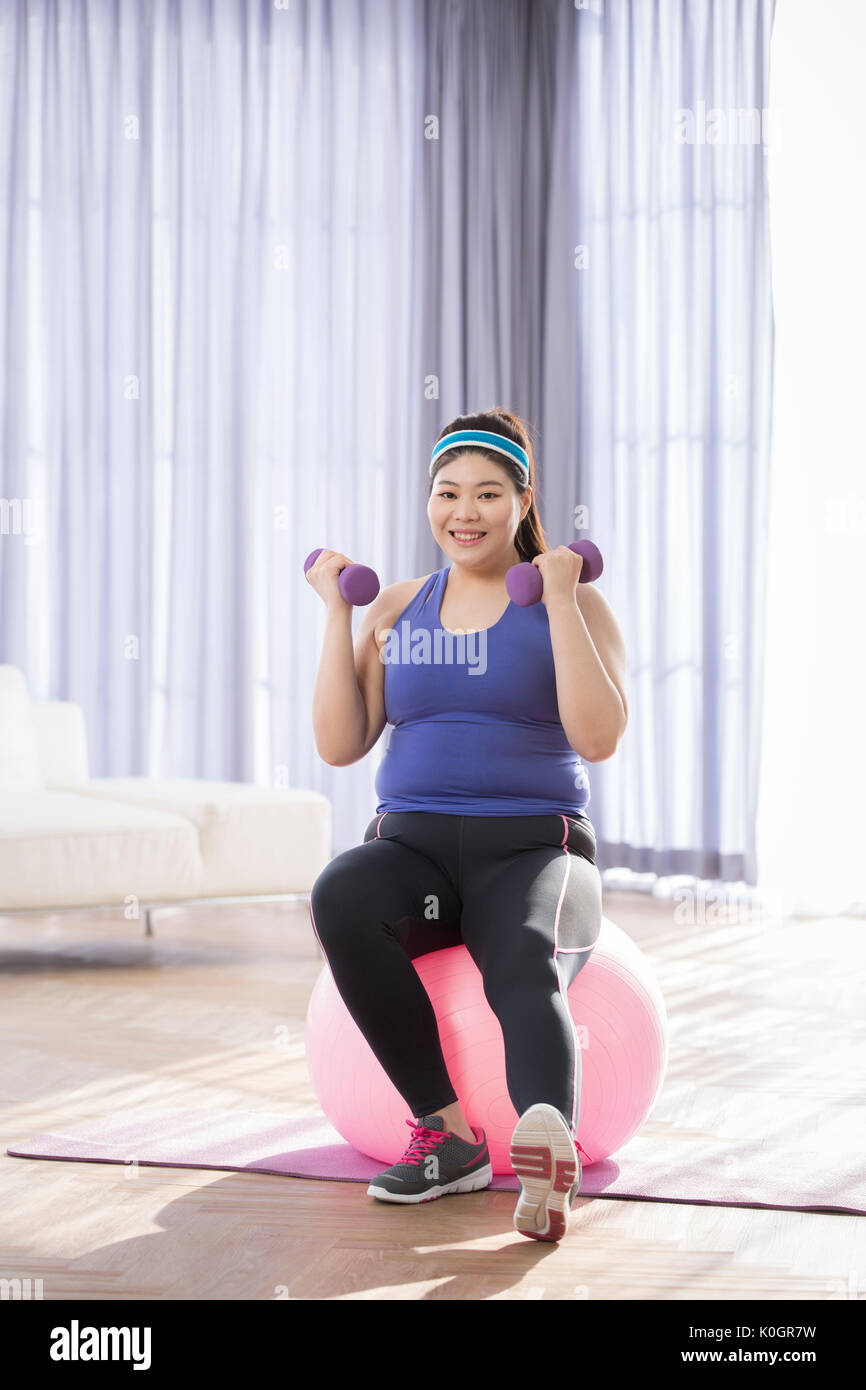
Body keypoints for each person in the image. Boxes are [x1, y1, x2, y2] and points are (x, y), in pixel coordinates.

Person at [305, 407, 628, 1241]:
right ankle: (447, 1137)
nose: (465, 512)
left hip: (532, 845)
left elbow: (599, 737)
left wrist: (558, 599)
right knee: (341, 894)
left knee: (520, 950)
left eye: (489, 493)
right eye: (448, 492)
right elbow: (342, 745)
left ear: (524, 502)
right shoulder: (404, 606)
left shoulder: (575, 603)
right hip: (411, 848)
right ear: (429, 500)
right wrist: (337, 619)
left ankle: (547, 1150)